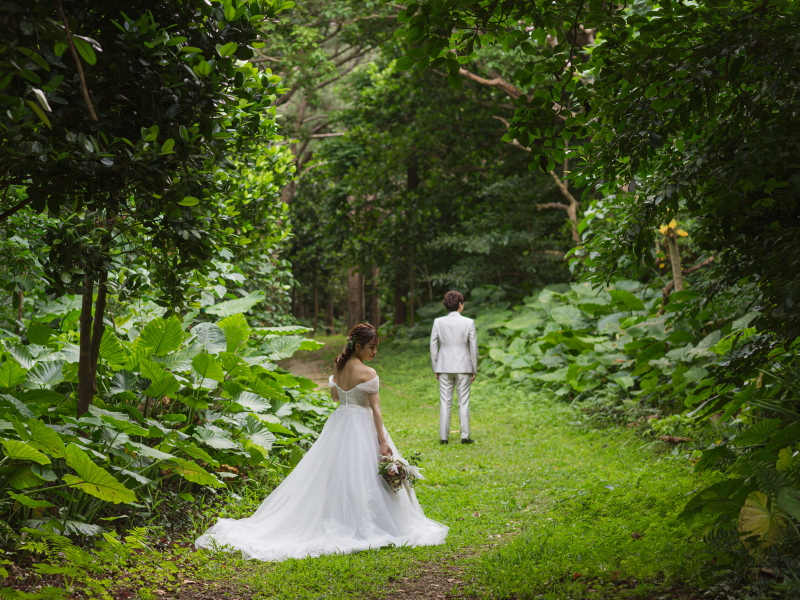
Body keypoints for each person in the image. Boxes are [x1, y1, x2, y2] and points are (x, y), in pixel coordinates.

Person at [195, 323, 448, 561]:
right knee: (362, 471)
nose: (375, 351)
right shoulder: (369, 373)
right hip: (361, 423)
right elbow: (377, 411)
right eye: (371, 347)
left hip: (340, 423)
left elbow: (336, 397)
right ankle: (364, 520)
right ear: (358, 346)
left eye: (375, 347)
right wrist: (383, 442)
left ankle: (339, 514)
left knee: (335, 471)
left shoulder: (339, 367)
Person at [430, 291, 477, 445]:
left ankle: (444, 438)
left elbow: (433, 345)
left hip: (443, 366)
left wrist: (436, 366)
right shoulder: (468, 322)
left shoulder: (438, 322)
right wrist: (473, 368)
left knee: (445, 402)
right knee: (463, 402)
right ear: (460, 305)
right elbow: (473, 347)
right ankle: (465, 436)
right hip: (463, 365)